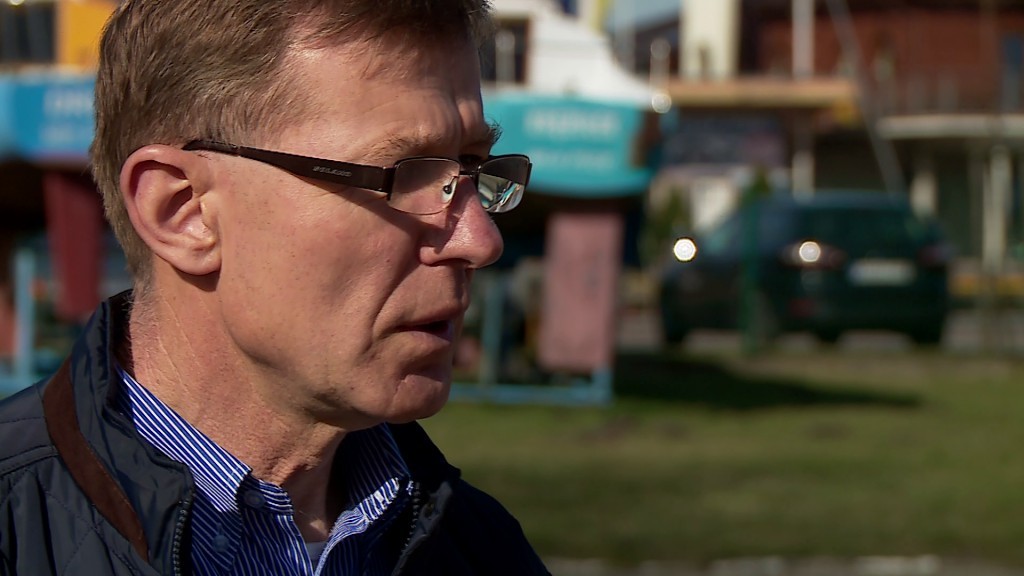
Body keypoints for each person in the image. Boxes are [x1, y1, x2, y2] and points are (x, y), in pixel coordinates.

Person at [0, 0, 548, 574]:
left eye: (472, 167)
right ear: (182, 211)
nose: (480, 240)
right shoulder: (21, 529)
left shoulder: (479, 546)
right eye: (407, 175)